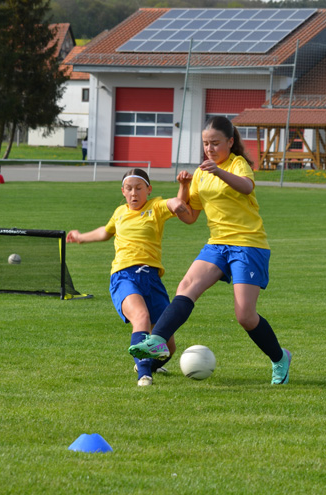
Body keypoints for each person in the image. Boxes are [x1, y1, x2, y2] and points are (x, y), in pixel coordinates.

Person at [129, 115, 292, 385]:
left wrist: (219, 172)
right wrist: (183, 187)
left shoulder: (237, 164)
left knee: (245, 316)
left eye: (215, 143)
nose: (209, 149)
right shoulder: (202, 173)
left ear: (230, 142)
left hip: (248, 243)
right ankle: (157, 340)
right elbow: (190, 217)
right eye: (205, 143)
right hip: (217, 243)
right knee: (186, 287)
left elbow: (247, 186)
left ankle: (280, 358)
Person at [66, 168, 192, 386]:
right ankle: (144, 374)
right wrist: (80, 237)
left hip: (152, 279)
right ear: (123, 191)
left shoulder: (155, 207)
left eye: (139, 188)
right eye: (129, 189)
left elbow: (175, 204)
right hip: (124, 276)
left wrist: (182, 190)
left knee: (168, 347)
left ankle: (146, 364)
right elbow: (105, 232)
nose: (134, 193)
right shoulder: (119, 212)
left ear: (148, 190)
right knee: (141, 317)